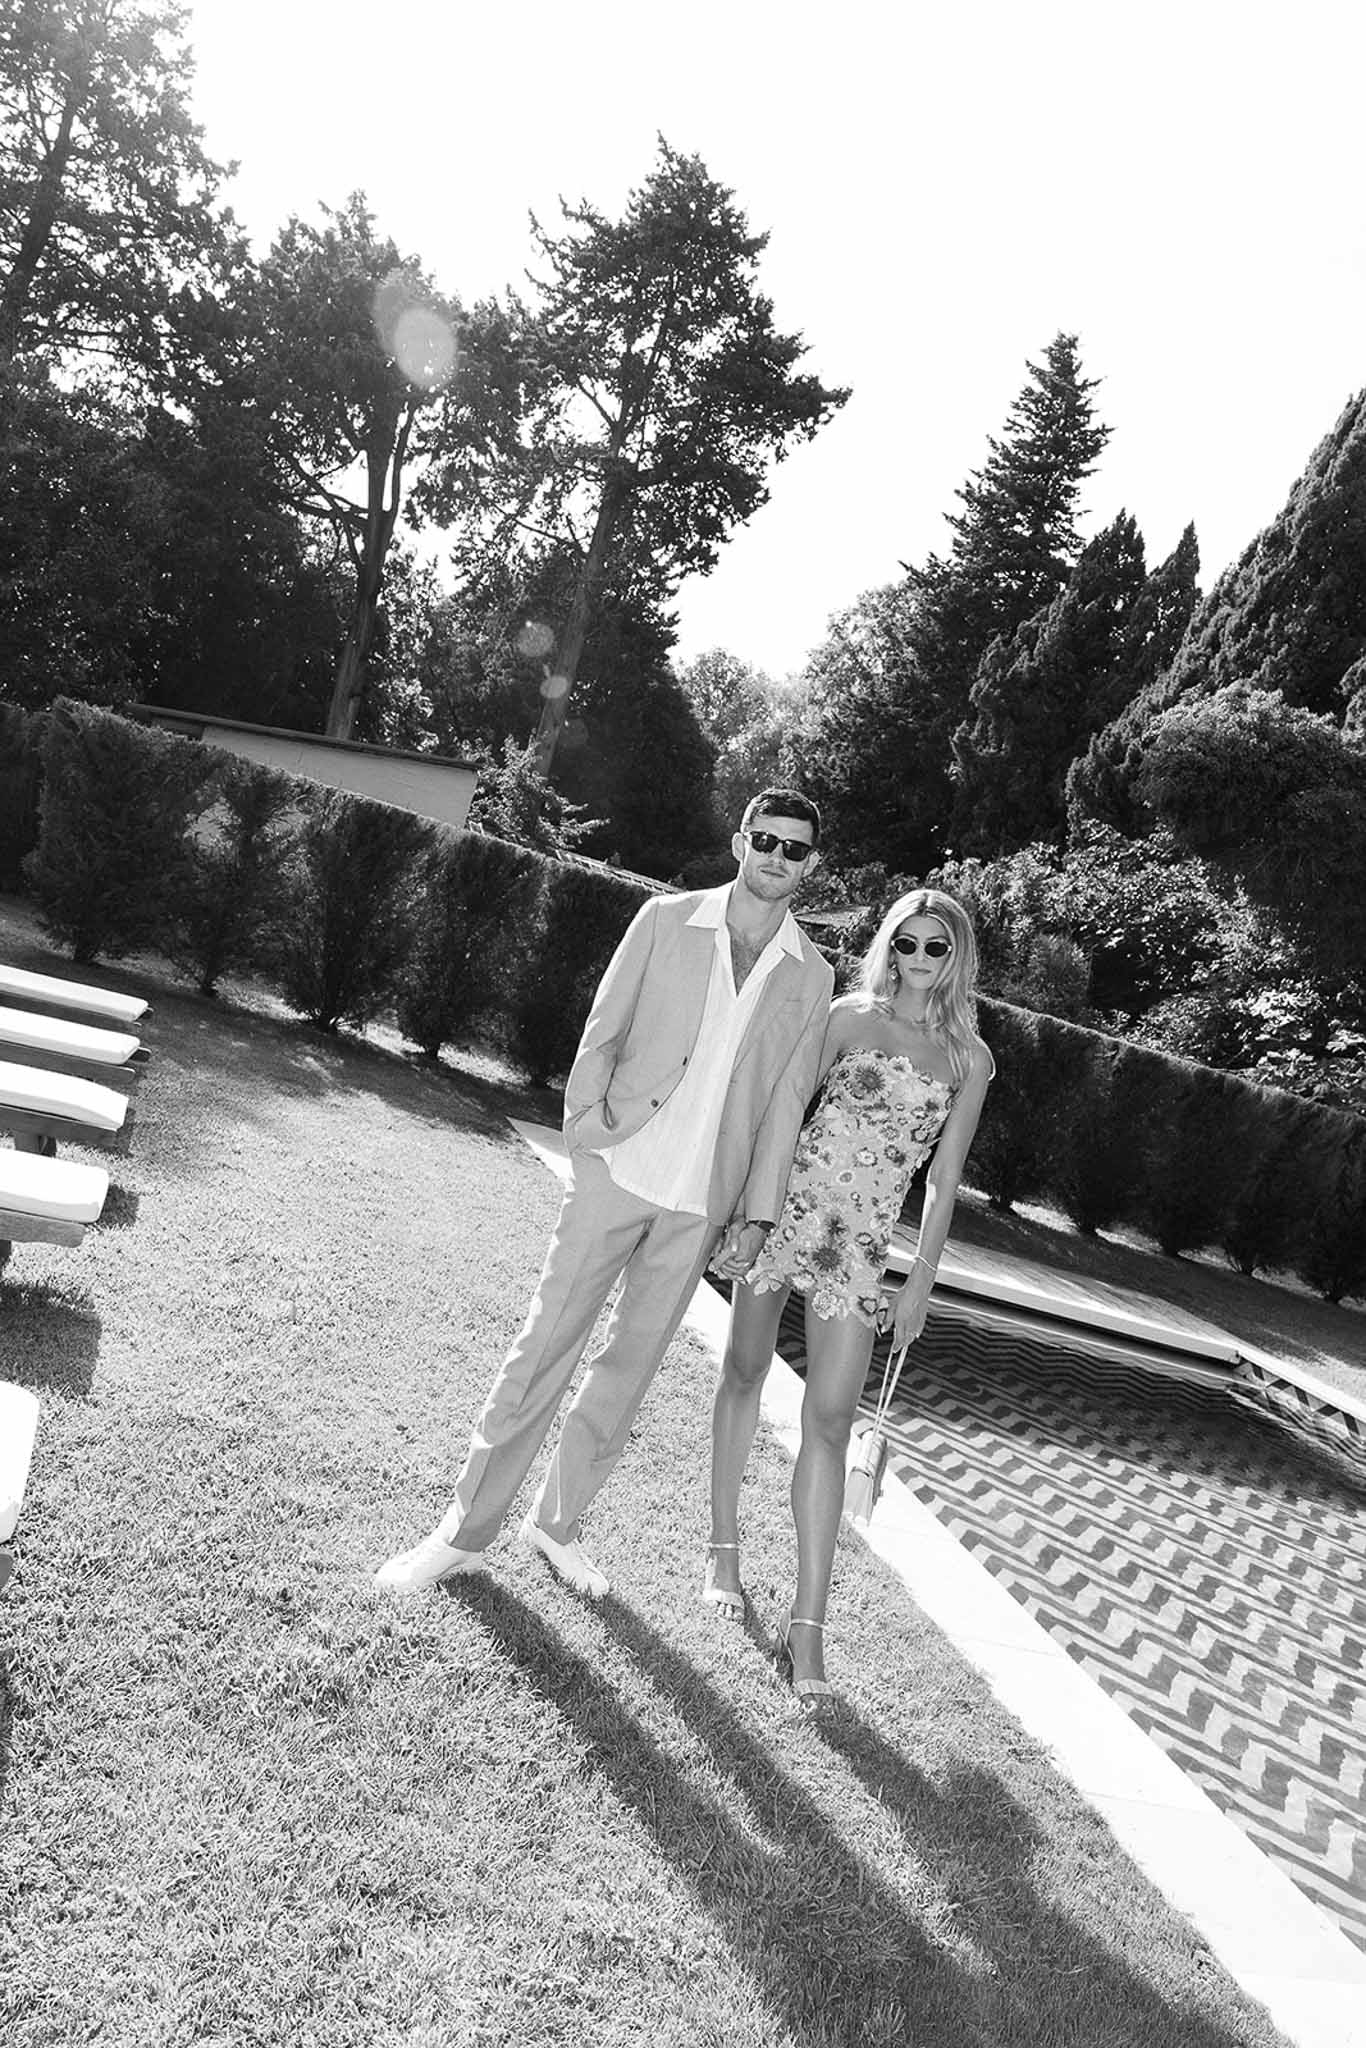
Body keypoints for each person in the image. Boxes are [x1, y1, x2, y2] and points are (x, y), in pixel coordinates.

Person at [376, 792, 835, 1599]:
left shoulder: (813, 975)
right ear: (739, 840)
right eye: (765, 840)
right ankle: (463, 1533)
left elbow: (786, 1102)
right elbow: (604, 1030)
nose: (776, 857)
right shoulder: (664, 922)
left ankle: (556, 1525)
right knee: (542, 1350)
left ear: (811, 865)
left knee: (626, 1374)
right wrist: (585, 1134)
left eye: (795, 850)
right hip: (616, 1174)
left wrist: (755, 1214)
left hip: (701, 1205)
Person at [704, 887, 993, 1707]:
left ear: (958, 957)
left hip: (862, 1250)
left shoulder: (971, 1059)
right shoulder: (844, 1016)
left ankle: (808, 1629)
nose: (920, 961)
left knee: (830, 1420)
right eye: (908, 942)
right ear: (890, 943)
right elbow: (790, 1110)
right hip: (788, 1213)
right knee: (743, 1371)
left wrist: (920, 1281)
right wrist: (754, 1217)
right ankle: (723, 1554)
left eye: (938, 948)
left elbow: (943, 1180)